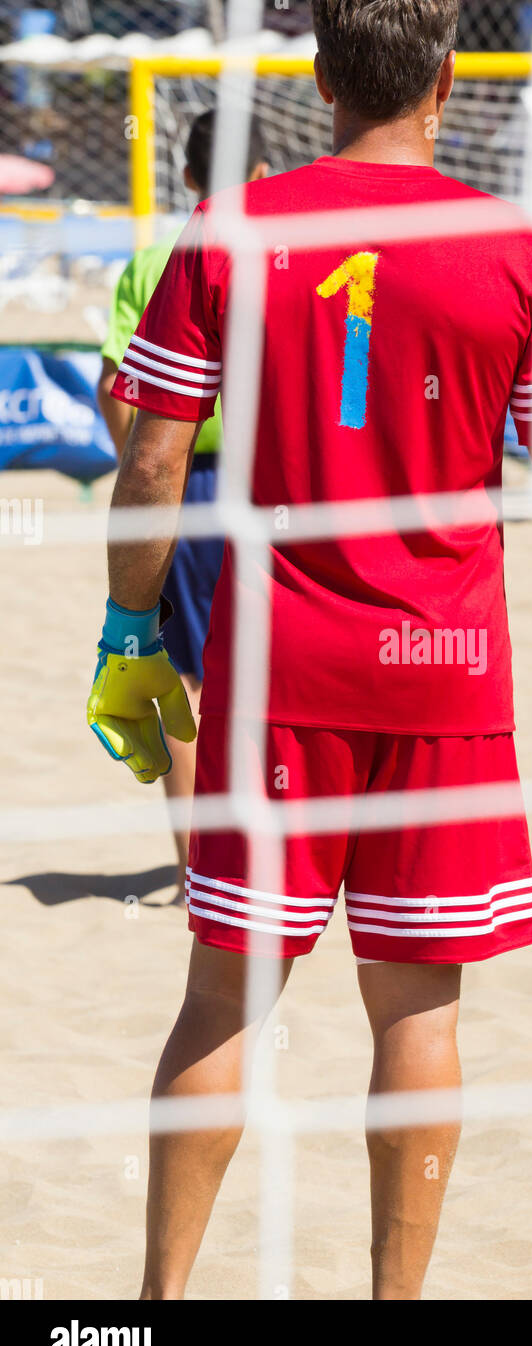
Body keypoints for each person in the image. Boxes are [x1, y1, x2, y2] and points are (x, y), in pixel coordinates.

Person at [86, 0, 532, 1301]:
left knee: (223, 1001)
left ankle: (155, 1308)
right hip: (443, 678)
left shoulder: (232, 230)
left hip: (268, 679)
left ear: (320, 75)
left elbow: (154, 455)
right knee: (416, 1016)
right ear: (448, 79)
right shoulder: (513, 242)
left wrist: (128, 627)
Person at [97, 110, 270, 900]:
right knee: (274, 673)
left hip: (190, 483)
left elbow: (115, 390)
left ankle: (193, 865)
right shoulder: (287, 250)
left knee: (183, 680)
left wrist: (139, 470)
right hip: (281, 483)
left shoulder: (152, 262)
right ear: (264, 171)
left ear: (190, 179)